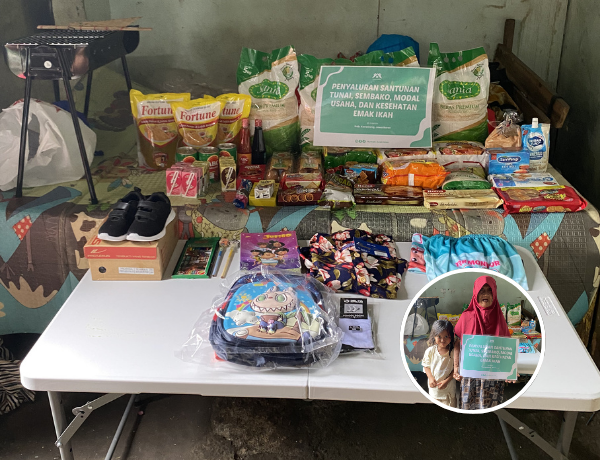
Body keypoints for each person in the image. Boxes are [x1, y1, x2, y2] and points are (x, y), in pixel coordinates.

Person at [453, 275, 512, 410]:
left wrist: (511, 369)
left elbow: (506, 347)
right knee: (468, 407)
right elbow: (457, 344)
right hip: (470, 375)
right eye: (482, 291)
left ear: (494, 294)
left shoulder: (499, 318)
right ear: (475, 293)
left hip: (492, 376)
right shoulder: (466, 317)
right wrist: (456, 367)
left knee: (491, 409)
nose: (485, 294)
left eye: (489, 290)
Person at [421, 320, 457, 407]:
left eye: (446, 336)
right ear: (434, 336)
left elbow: (456, 369)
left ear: (451, 336)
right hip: (434, 392)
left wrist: (446, 381)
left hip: (449, 392)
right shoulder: (430, 351)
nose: (442, 340)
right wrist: (430, 378)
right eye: (439, 336)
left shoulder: (454, 352)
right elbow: (426, 366)